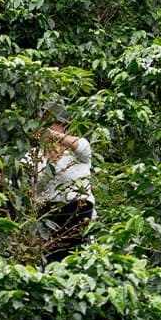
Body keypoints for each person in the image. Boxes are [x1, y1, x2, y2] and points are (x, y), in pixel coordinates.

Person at [25, 102, 95, 265]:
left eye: (52, 123)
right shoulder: (34, 156)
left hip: (78, 209)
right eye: (44, 123)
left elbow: (82, 148)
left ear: (63, 126)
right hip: (48, 214)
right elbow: (26, 185)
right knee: (51, 260)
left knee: (76, 258)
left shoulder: (78, 149)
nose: (47, 128)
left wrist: (50, 135)